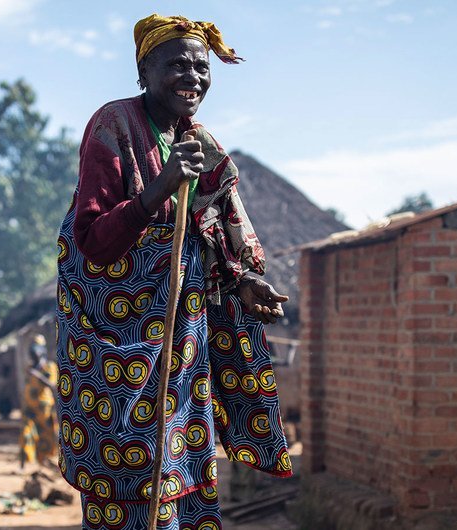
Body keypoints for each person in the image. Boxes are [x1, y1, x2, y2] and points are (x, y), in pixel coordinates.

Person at [55, 14, 292, 529]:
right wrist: (158, 189)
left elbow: (219, 236)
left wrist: (244, 281)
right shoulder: (112, 125)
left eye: (201, 67)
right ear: (143, 71)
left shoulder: (200, 144)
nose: (193, 76)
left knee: (184, 470)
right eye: (177, 64)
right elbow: (92, 242)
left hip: (183, 350)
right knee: (127, 479)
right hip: (117, 350)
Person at [20, 334, 58, 467]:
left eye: (36, 350)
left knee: (45, 435)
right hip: (30, 407)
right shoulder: (30, 367)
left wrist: (37, 375)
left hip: (44, 408)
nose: (34, 353)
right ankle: (24, 464)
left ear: (42, 351)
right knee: (26, 432)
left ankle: (44, 462)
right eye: (32, 350)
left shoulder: (49, 366)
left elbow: (52, 385)